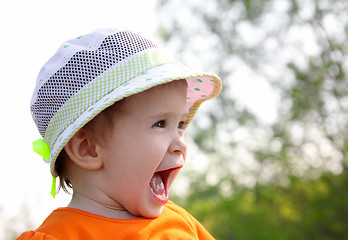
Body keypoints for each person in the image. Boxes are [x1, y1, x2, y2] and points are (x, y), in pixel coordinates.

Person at [17, 29, 222, 240]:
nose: (181, 143)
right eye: (160, 123)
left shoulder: (180, 224)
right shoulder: (57, 236)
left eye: (180, 124)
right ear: (87, 148)